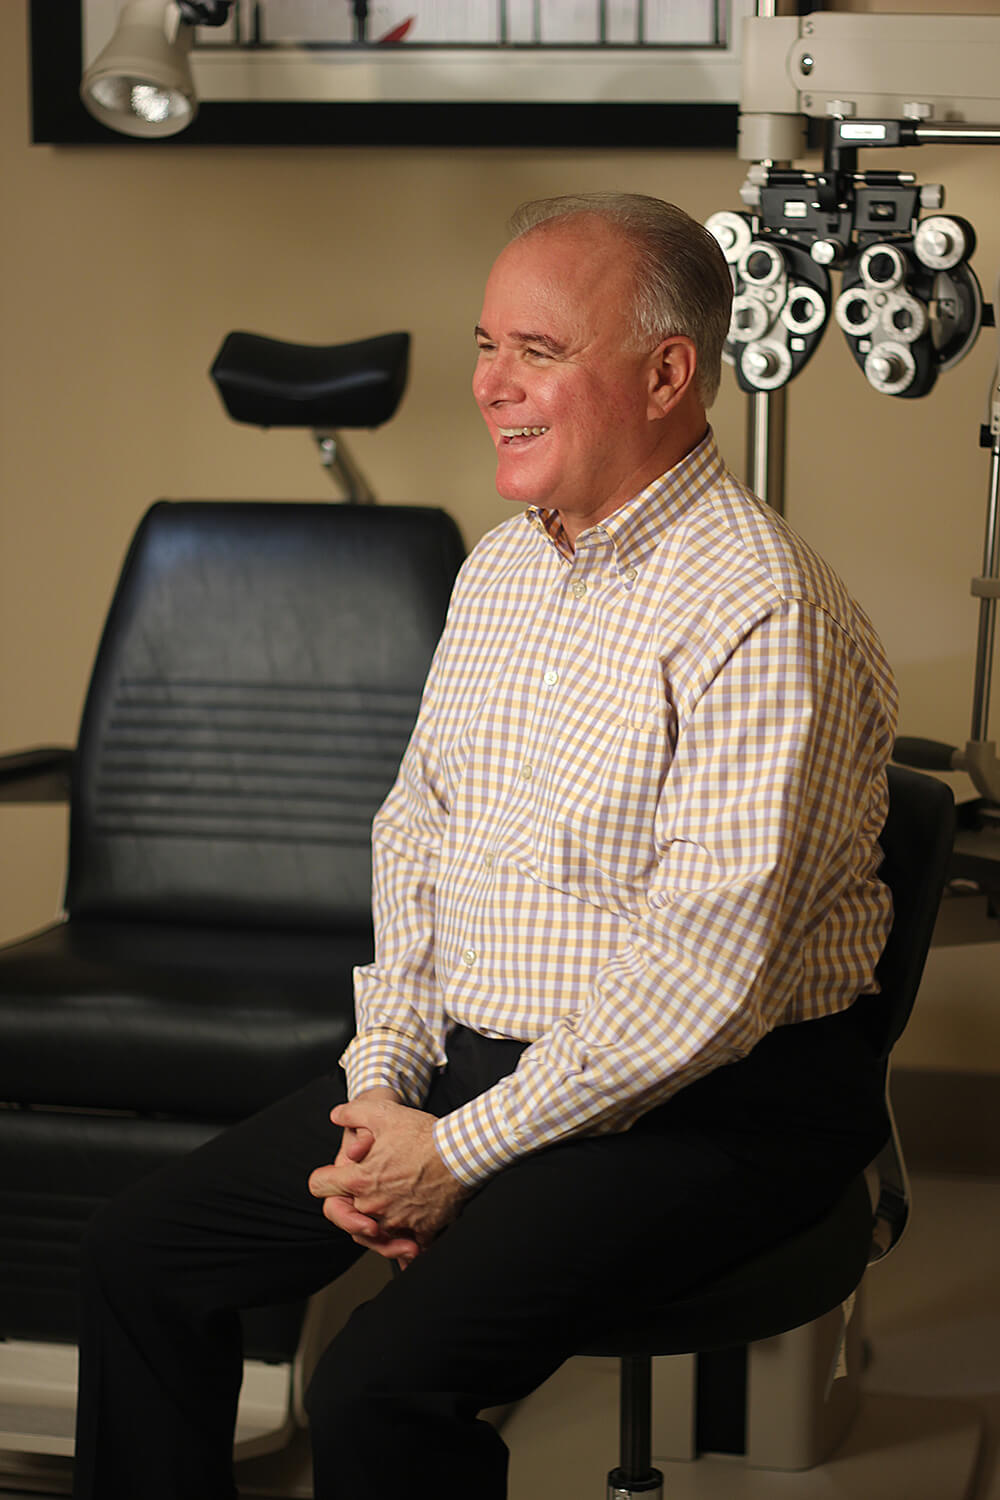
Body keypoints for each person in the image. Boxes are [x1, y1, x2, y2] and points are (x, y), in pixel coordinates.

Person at [73, 193, 898, 1500]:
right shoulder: (503, 571)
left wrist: (454, 1157)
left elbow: (697, 989)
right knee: (141, 1256)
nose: (488, 386)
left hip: (717, 1104)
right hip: (478, 1059)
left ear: (667, 374)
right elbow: (417, 838)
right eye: (485, 344)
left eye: (537, 352)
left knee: (378, 1383)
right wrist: (389, 1084)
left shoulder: (762, 612)